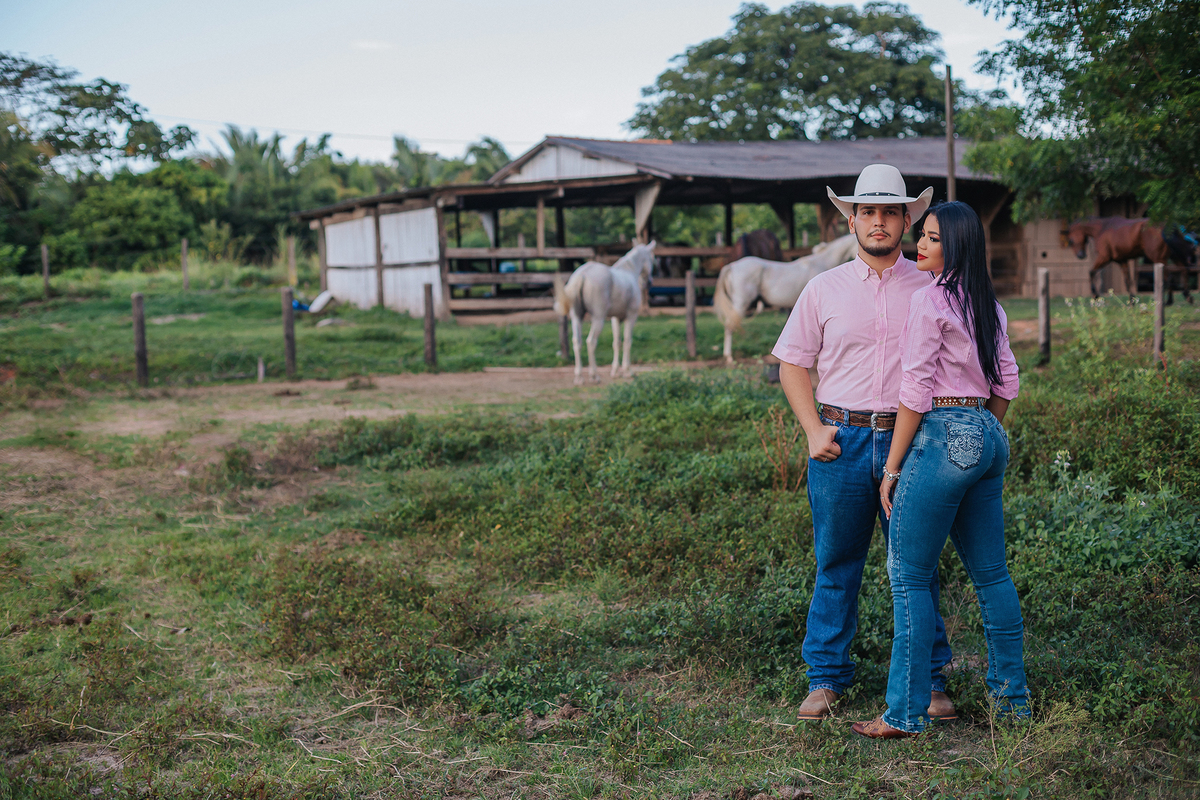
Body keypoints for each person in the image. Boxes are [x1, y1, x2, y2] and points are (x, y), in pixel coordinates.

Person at [773, 164, 956, 722]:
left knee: (918, 565)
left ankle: (929, 679)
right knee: (837, 561)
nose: (878, 222)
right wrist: (812, 429)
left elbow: (960, 366)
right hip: (841, 439)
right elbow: (792, 364)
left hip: (914, 442)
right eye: (867, 212)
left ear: (908, 219)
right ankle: (826, 678)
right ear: (851, 219)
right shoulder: (822, 289)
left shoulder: (933, 286)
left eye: (890, 212)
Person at [852, 201, 1028, 739]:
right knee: (992, 575)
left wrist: (893, 467)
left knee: (909, 578)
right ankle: (1012, 703)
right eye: (920, 236)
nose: (919, 245)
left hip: (945, 430)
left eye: (930, 238)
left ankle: (903, 714)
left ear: (954, 246)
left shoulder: (930, 301)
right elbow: (1008, 383)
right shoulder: (987, 305)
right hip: (988, 433)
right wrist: (981, 434)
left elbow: (914, 392)